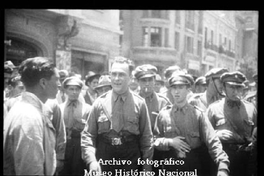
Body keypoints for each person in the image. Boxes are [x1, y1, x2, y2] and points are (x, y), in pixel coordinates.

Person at [81, 56, 153, 175]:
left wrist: (147, 167)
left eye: (121, 74)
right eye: (113, 74)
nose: (116, 78)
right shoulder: (99, 103)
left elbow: (146, 138)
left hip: (130, 158)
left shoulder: (139, 104)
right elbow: (88, 135)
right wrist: (92, 160)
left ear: (130, 78)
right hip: (104, 158)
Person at [153, 71, 230, 176]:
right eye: (174, 88)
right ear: (170, 90)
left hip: (192, 166)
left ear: (188, 90)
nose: (176, 92)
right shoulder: (163, 114)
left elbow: (213, 141)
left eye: (180, 88)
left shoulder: (198, 115)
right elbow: (154, 140)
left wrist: (223, 165)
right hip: (169, 167)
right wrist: (169, 142)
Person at [4, 57, 60, 175]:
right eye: (57, 80)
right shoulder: (29, 117)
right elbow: (31, 170)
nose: (59, 85)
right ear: (43, 83)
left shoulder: (25, 109)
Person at [206, 71, 257, 176]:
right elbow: (204, 135)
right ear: (224, 88)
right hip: (222, 158)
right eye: (231, 87)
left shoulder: (251, 108)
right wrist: (216, 133)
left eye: (238, 88)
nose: (235, 91)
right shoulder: (214, 109)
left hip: (245, 160)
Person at [59, 76, 91, 176]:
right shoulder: (60, 108)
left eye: (77, 89)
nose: (74, 92)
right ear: (65, 90)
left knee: (78, 171)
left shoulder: (87, 109)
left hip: (79, 145)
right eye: (71, 89)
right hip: (64, 145)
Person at [134, 64, 171, 131]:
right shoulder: (132, 100)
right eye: (144, 80)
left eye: (150, 80)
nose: (147, 83)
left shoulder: (163, 102)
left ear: (154, 80)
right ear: (137, 81)